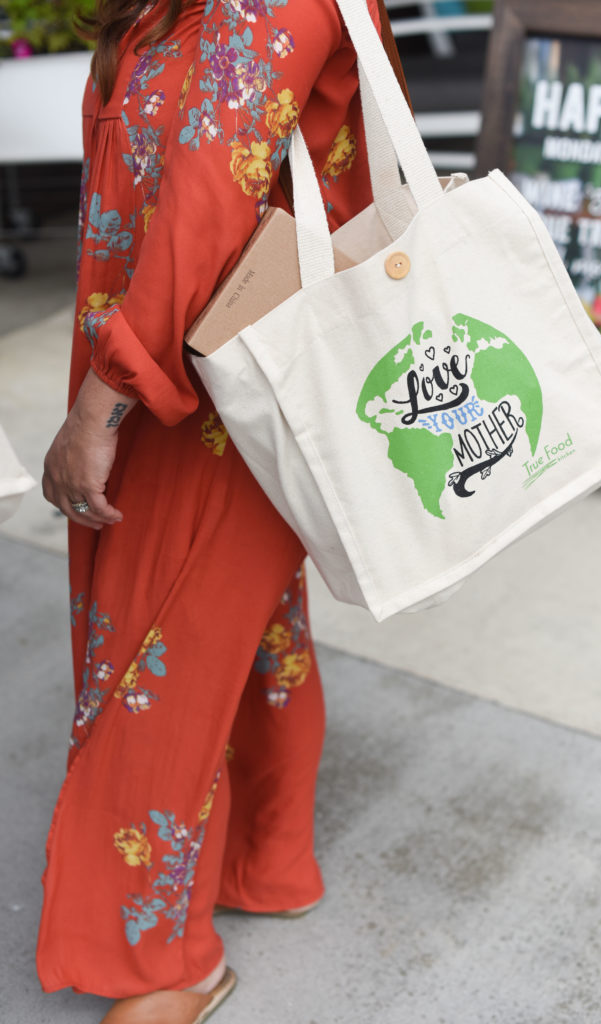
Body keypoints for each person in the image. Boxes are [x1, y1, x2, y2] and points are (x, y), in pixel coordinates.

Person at [40, 0, 379, 1020]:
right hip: (200, 359)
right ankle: (263, 861)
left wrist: (100, 403)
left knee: (157, 654)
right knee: (247, 629)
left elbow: (203, 205)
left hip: (205, 380)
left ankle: (169, 961)